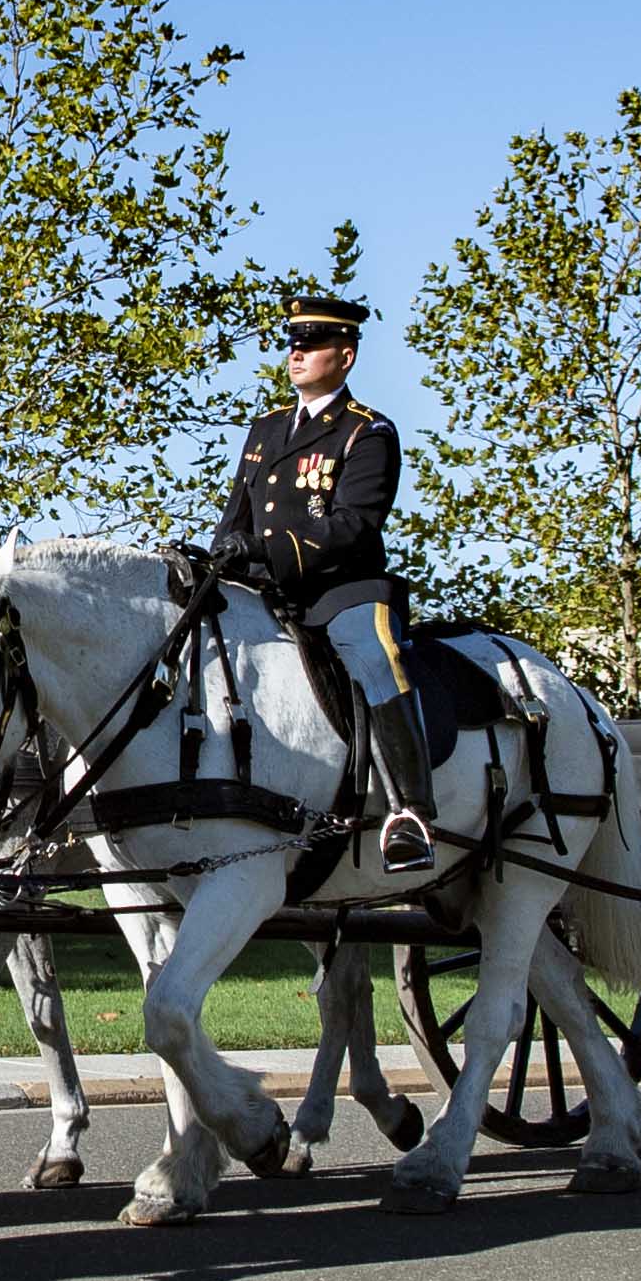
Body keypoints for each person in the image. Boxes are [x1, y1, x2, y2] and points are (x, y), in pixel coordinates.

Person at [208, 289, 432, 877]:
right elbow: (237, 515)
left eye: (311, 344)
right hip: (264, 590)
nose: (297, 353)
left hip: (341, 592)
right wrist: (216, 560)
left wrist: (263, 549)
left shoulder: (368, 432)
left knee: (375, 655)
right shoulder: (265, 430)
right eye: (293, 343)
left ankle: (410, 813)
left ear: (346, 355)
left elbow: (356, 526)